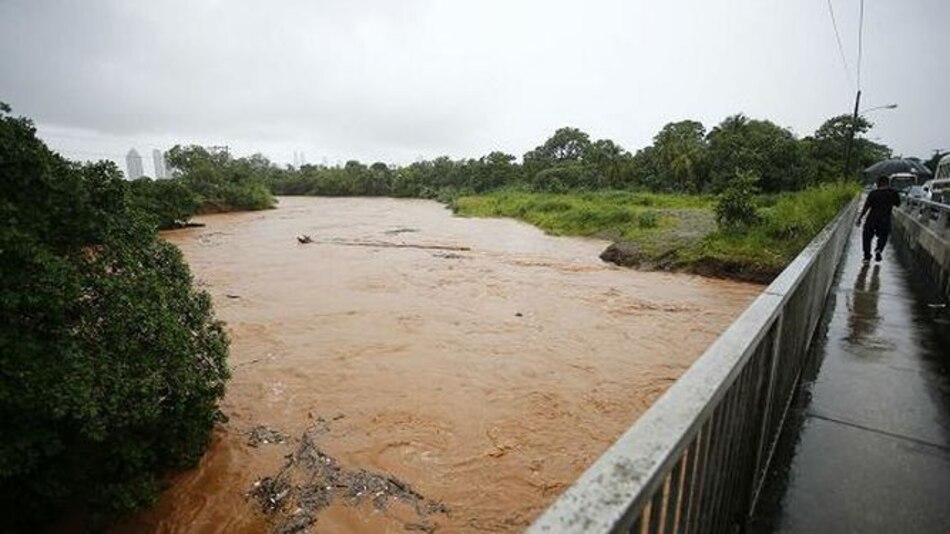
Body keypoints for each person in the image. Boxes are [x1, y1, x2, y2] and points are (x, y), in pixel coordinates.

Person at [855, 176, 902, 262]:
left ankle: (867, 256)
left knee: (867, 237)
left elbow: (866, 206)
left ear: (878, 183)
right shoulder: (893, 193)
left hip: (872, 218)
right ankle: (879, 249)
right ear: (888, 183)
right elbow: (898, 204)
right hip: (885, 219)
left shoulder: (873, 193)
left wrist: (860, 218)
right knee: (883, 236)